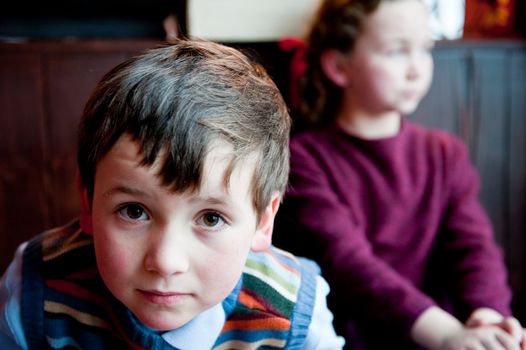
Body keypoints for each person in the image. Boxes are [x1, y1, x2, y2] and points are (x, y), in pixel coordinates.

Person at [0, 39, 345, 349]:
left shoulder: (292, 312)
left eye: (211, 218)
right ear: (88, 202)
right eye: (134, 211)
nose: (165, 261)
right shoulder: (35, 287)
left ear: (263, 221)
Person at [273, 0, 526, 349]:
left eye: (425, 49)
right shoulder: (305, 159)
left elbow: (473, 247)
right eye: (396, 52)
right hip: (352, 339)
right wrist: (446, 334)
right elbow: (350, 267)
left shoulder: (444, 153)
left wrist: (488, 313)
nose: (416, 69)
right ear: (338, 66)